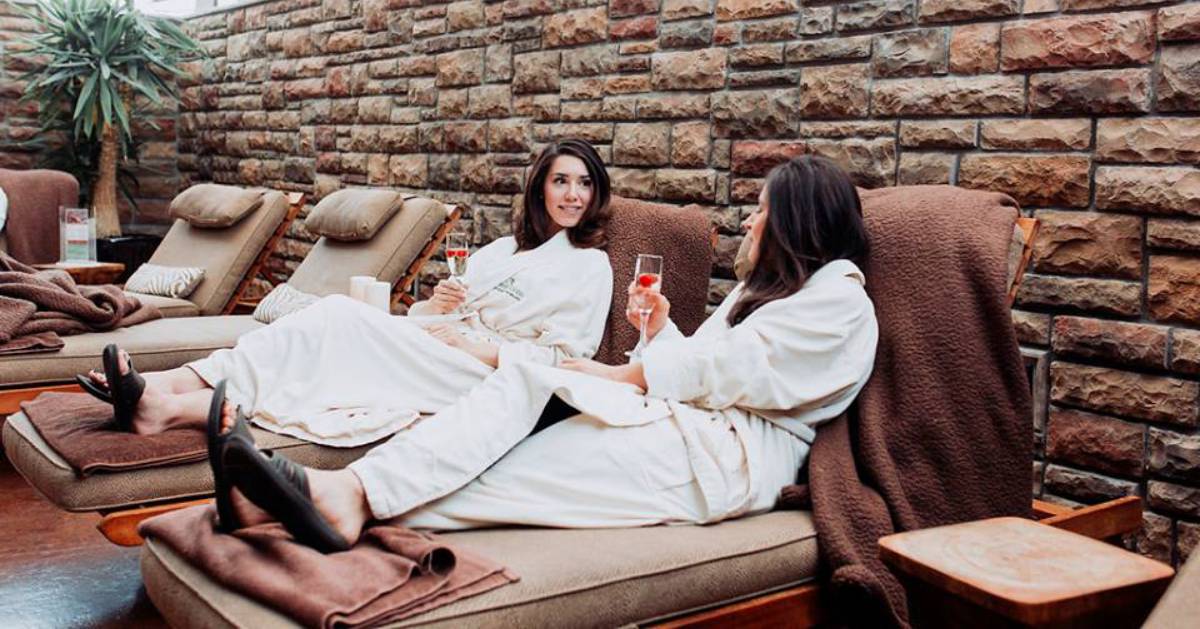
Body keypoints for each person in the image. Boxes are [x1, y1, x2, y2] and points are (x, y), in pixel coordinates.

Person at [211, 155, 879, 552]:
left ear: (798, 222)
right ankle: (321, 496)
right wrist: (660, 331)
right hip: (680, 423)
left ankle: (336, 499)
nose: (753, 222)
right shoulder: (759, 296)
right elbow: (707, 368)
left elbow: (734, 375)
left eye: (763, 211)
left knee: (515, 473)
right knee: (519, 386)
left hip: (722, 460)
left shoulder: (841, 300)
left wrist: (623, 368)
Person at [80, 139, 614, 447]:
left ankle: (168, 398)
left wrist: (483, 349)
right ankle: (164, 394)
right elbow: (429, 310)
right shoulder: (502, 249)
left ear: (596, 194)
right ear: (540, 187)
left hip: (485, 370)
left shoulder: (590, 267)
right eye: (562, 181)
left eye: (584, 183)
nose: (573, 194)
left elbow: (568, 358)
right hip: (438, 340)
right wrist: (434, 305)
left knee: (336, 319)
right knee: (323, 343)